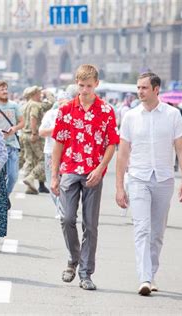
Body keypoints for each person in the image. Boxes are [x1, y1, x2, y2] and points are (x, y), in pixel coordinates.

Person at [116, 72, 182, 295]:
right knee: (142, 228)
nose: (140, 92)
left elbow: (181, 149)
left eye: (144, 88)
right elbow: (122, 153)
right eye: (138, 88)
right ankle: (145, 278)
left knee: (157, 232)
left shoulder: (173, 114)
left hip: (164, 178)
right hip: (138, 177)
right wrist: (119, 186)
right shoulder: (130, 116)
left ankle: (152, 273)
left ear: (156, 89)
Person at [51, 64, 120, 291]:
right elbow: (58, 144)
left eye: (89, 86)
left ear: (96, 84)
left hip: (93, 172)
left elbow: (112, 143)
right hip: (70, 169)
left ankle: (85, 273)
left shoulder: (107, 111)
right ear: (76, 84)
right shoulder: (66, 110)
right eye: (81, 86)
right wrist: (54, 176)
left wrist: (101, 168)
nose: (85, 90)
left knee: (90, 225)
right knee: (67, 218)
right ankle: (73, 258)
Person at [0, 80, 24, 197]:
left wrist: (14, 129)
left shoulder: (14, 106)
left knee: (13, 177)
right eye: (2, 90)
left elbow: (22, 122)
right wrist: (0, 132)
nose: (5, 91)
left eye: (6, 89)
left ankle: (5, 197)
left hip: (13, 145)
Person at [39, 91, 70, 219]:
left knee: (66, 183)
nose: (63, 105)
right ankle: (59, 208)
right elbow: (41, 132)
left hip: (68, 154)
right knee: (52, 181)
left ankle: (64, 209)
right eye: (61, 102)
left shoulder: (73, 115)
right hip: (50, 152)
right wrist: (57, 129)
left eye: (66, 103)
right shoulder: (50, 115)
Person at [21, 86, 49, 194]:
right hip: (33, 135)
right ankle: (31, 177)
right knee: (43, 160)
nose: (40, 95)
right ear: (34, 94)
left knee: (29, 160)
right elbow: (33, 118)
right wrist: (34, 132)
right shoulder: (35, 105)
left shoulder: (25, 105)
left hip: (24, 134)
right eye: (39, 93)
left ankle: (30, 186)